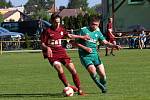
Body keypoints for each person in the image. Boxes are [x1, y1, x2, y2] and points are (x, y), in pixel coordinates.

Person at [40, 14, 89, 95]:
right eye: (56, 22)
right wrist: (47, 48)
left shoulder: (61, 29)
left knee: (73, 70)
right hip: (52, 54)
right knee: (59, 67)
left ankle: (80, 90)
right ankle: (68, 86)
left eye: (59, 22)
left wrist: (82, 37)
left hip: (61, 52)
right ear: (52, 21)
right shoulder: (47, 31)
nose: (57, 24)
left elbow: (69, 35)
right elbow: (42, 44)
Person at [76, 16, 121, 93]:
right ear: (90, 23)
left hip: (95, 55)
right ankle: (102, 87)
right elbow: (75, 43)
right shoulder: (83, 30)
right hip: (85, 56)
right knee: (93, 72)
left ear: (99, 24)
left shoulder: (98, 32)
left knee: (103, 75)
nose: (94, 26)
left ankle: (103, 86)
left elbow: (105, 43)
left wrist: (114, 46)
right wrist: (85, 48)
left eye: (96, 24)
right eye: (93, 24)